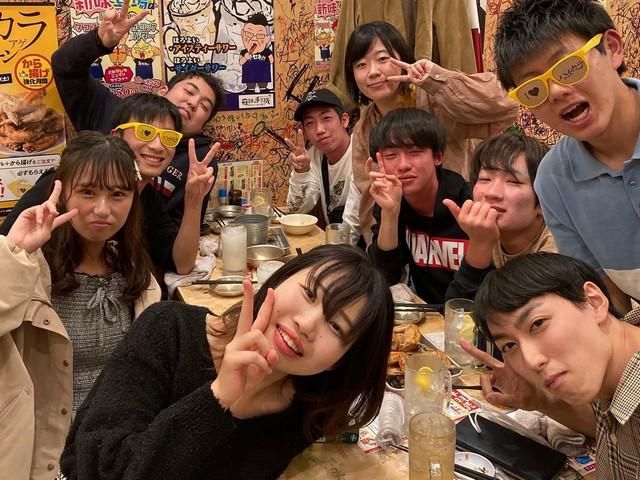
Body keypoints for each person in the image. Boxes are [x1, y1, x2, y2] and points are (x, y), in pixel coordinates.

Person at [59, 245, 394, 480]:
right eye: (309, 293)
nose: (307, 324)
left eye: (336, 326)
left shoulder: (307, 412)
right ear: (280, 278)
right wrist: (217, 398)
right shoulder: (168, 329)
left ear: (340, 361)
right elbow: (97, 470)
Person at [1, 132, 160, 478]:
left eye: (118, 194)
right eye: (88, 192)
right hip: (45, 456)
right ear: (63, 192)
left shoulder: (136, 273)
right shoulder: (31, 268)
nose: (102, 209)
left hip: (115, 453)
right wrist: (13, 253)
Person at [493, 0, 640, 313]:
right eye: (533, 90)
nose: (557, 91)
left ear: (612, 48)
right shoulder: (553, 179)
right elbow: (606, 297)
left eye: (569, 67)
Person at [462, 253, 640, 479]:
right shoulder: (611, 365)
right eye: (509, 345)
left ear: (594, 302)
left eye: (538, 324)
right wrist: (540, 400)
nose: (531, 360)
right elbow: (618, 431)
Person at [341, 20, 518, 245]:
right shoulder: (365, 126)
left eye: (383, 59)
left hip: (461, 228)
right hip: (407, 240)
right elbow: (369, 196)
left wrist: (435, 79)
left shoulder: (434, 100)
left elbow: (506, 105)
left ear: (402, 59)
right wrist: (379, 248)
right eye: (361, 65)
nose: (373, 72)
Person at [0, 93, 217, 275]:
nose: (158, 146)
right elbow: (7, 246)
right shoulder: (63, 182)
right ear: (116, 136)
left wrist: (194, 198)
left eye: (168, 137)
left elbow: (181, 264)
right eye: (146, 133)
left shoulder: (147, 196)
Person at [51, 0, 225, 223]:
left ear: (204, 123)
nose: (193, 103)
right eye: (189, 91)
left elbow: (177, 230)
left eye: (204, 106)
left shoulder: (200, 161)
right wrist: (98, 42)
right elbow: (65, 68)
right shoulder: (114, 111)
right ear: (162, 91)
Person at [367, 108, 470, 305]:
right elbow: (385, 276)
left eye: (414, 152)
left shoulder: (467, 201)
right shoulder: (391, 201)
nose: (403, 165)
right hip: (425, 316)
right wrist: (390, 214)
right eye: (391, 155)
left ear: (438, 156)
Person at [444, 133, 557, 300]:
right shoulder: (484, 231)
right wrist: (479, 243)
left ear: (543, 201)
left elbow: (514, 310)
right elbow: (459, 307)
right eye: (485, 179)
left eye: (513, 181)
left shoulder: (559, 248)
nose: (492, 193)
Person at [286, 88, 352, 228]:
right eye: (310, 123)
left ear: (344, 120)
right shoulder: (315, 156)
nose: (319, 129)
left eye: (326, 118)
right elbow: (297, 210)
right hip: (334, 237)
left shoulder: (360, 152)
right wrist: (301, 172)